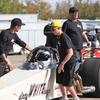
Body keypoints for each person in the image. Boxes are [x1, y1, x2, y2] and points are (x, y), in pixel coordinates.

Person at [50, 20, 80, 100]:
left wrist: (62, 64)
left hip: (69, 61)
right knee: (59, 80)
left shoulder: (64, 37)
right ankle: (64, 97)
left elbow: (70, 52)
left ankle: (76, 97)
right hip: (62, 60)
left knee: (67, 83)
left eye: (54, 29)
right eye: (51, 29)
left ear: (59, 28)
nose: (52, 31)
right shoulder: (57, 37)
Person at [62, 7, 91, 72]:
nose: (76, 14)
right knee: (74, 63)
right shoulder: (67, 23)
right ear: (70, 14)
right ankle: (71, 76)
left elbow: (82, 33)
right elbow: (63, 35)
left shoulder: (79, 23)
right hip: (72, 48)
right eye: (75, 13)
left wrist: (87, 41)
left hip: (79, 48)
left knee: (79, 62)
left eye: (77, 13)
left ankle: (73, 76)